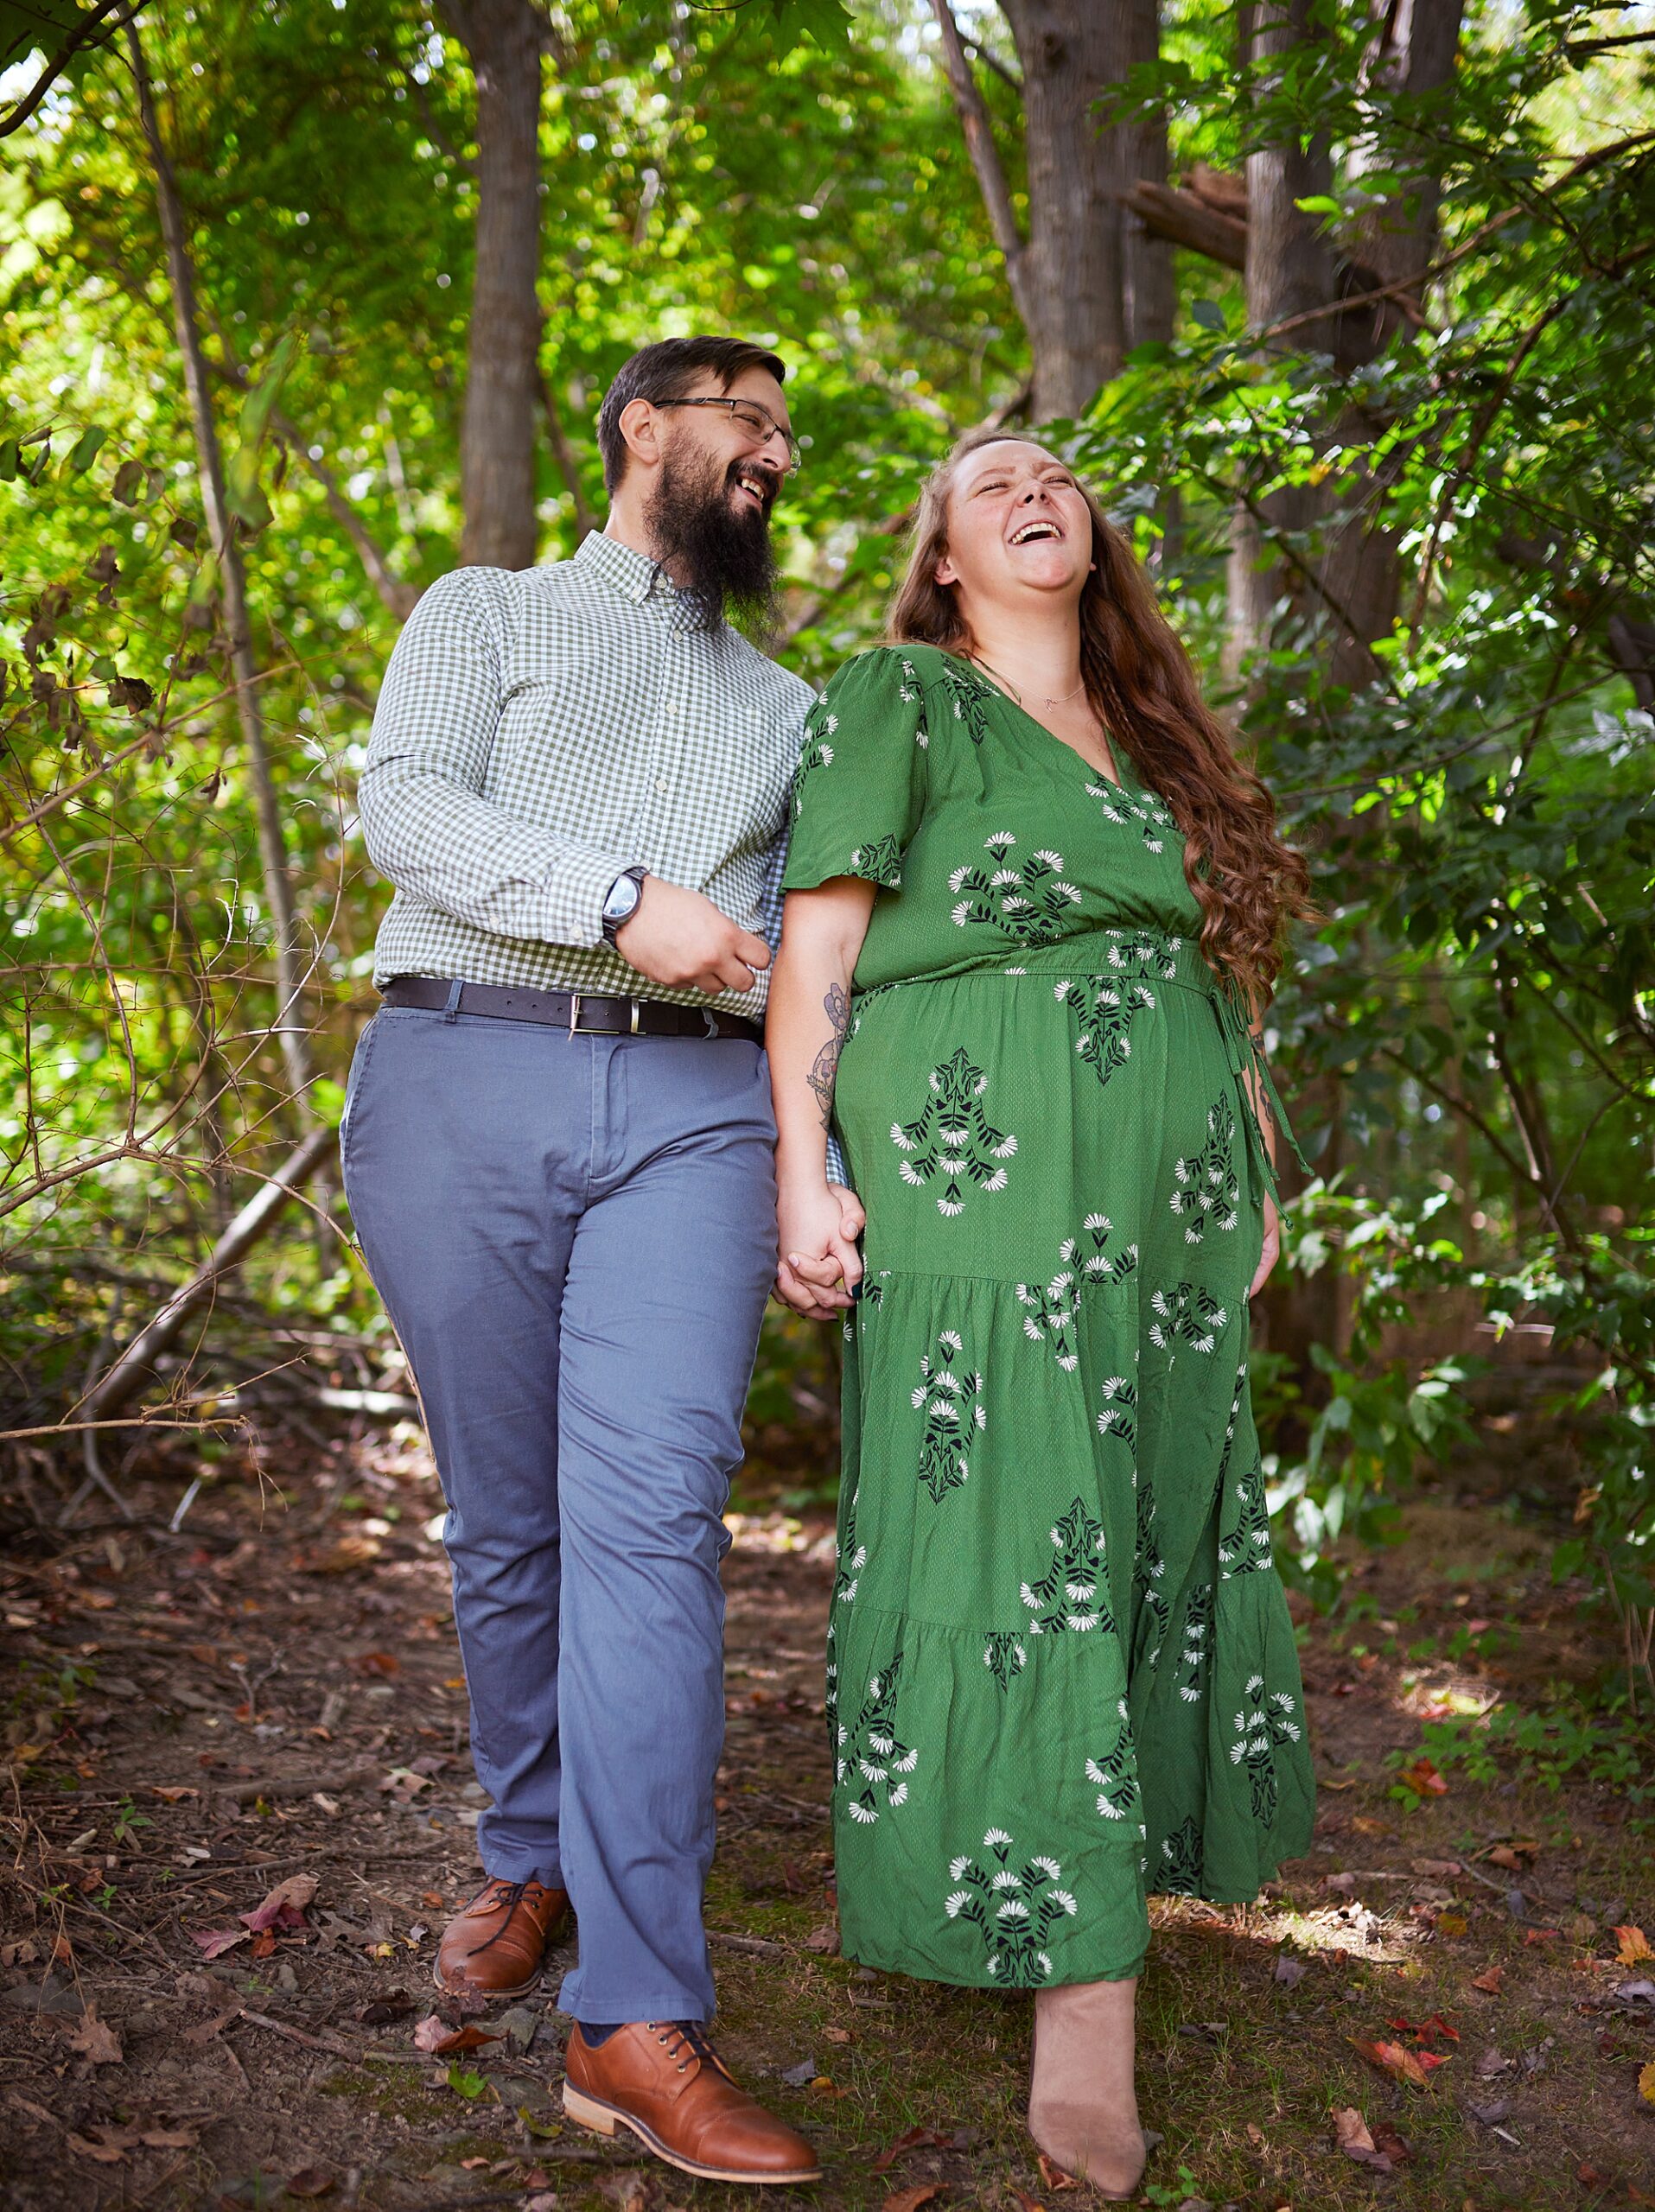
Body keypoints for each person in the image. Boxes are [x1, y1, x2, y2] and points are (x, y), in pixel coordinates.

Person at [766, 429, 1318, 2197]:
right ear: (941, 552)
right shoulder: (898, 699)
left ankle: (1112, 1878)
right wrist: (803, 1168)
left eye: (1061, 476)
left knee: (1145, 1514)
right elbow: (821, 949)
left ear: (1093, 537)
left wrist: (1255, 1162)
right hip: (975, 1163)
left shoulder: (1153, 747)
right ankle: (1081, 1994)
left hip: (1160, 1193)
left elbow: (1209, 978)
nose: (1034, 491)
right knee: (1018, 1530)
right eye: (990, 479)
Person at [343, 335, 836, 2189]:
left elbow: (804, 953)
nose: (773, 452)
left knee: (651, 1523)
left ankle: (632, 2006)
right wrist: (628, 899)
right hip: (458, 1071)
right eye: (748, 421)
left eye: (786, 433)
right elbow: (411, 812)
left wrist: (815, 1163)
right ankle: (530, 1842)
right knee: (508, 1518)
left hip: (698, 1123)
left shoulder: (794, 709)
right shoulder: (480, 613)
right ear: (646, 429)